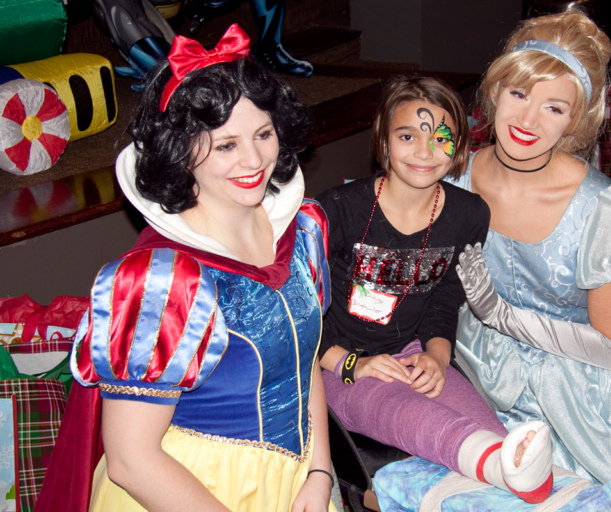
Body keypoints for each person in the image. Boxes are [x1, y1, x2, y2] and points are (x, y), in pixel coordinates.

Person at [38, 24, 333, 512]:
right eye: (225, 145)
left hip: (296, 482)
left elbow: (305, 364)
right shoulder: (160, 280)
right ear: (182, 152)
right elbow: (131, 460)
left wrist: (320, 471)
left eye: (263, 134)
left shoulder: (299, 230)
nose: (255, 159)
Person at [450, 9, 611, 512]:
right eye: (519, 94)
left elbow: (610, 348)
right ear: (496, 91)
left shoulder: (603, 208)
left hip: (585, 377)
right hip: (482, 355)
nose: (527, 121)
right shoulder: (456, 173)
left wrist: (502, 316)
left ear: (577, 119)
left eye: (554, 107)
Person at [316, 76, 558, 503]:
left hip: (411, 351)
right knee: (407, 414)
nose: (425, 151)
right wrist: (351, 364)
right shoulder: (337, 210)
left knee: (485, 426)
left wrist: (438, 355)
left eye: (442, 137)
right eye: (408, 135)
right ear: (385, 142)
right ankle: (496, 461)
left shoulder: (467, 214)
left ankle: (523, 477)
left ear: (459, 146)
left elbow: (447, 294)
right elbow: (295, 311)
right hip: (335, 365)